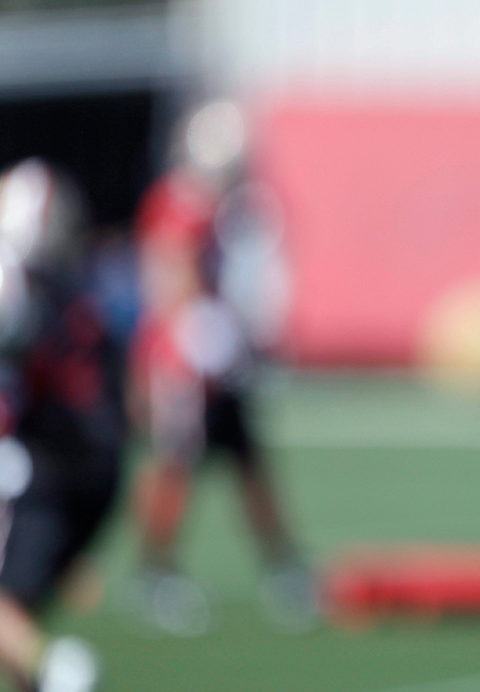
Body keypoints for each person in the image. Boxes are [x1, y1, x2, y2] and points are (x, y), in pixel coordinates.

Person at [129, 99, 313, 636]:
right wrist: (197, 339)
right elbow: (170, 279)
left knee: (249, 464)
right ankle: (155, 572)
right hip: (183, 360)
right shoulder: (180, 203)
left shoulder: (223, 206)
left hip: (216, 356)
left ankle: (283, 566)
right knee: (176, 465)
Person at [0, 158, 125, 692]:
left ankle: (58, 674)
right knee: (16, 615)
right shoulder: (75, 290)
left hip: (43, 466)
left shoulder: (20, 284)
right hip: (94, 467)